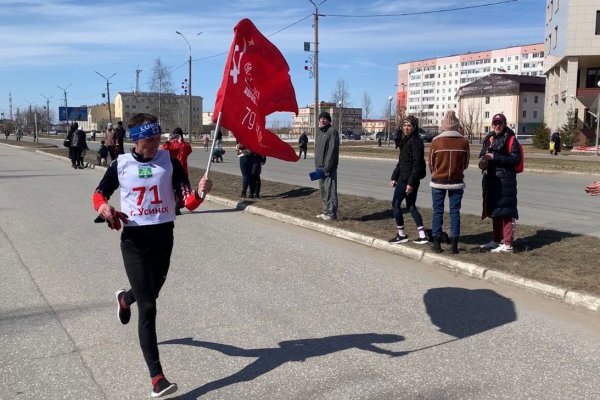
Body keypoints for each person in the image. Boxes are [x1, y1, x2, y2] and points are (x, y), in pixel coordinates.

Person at [92, 113, 212, 398]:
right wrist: (104, 208)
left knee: (150, 293)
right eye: (151, 139)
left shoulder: (169, 162)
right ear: (137, 139)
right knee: (149, 307)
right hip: (134, 241)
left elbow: (188, 201)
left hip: (163, 238)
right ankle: (157, 378)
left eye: (159, 137)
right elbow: (99, 193)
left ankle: (124, 298)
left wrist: (200, 193)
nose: (157, 143)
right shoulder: (121, 164)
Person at [428, 110, 470, 254]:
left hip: (438, 181)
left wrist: (436, 173)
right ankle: (454, 245)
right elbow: (466, 163)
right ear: (457, 125)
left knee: (437, 212)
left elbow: (431, 163)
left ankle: (437, 243)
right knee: (455, 212)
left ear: (444, 125)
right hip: (457, 181)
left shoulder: (436, 142)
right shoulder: (464, 142)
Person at [479, 113, 521, 253]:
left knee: (506, 212)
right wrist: (484, 160)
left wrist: (495, 157)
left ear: (504, 124)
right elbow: (483, 155)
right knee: (495, 211)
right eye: (495, 123)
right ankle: (497, 240)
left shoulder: (510, 138)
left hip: (506, 180)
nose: (497, 126)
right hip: (492, 179)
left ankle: (508, 244)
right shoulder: (489, 138)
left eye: (500, 123)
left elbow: (515, 159)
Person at [389, 116, 428, 244]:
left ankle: (401, 234)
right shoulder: (406, 141)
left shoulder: (415, 142)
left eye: (409, 126)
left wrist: (410, 183)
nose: (406, 128)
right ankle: (422, 235)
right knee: (411, 206)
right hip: (404, 177)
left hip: (408, 179)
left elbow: (417, 164)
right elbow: (402, 162)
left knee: (395, 204)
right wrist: (394, 177)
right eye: (404, 125)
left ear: (414, 127)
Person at [314, 111, 339, 221]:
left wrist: (327, 167)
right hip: (319, 167)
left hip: (328, 168)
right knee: (323, 190)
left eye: (325, 118)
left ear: (329, 120)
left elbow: (332, 151)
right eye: (321, 118)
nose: (322, 120)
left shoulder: (332, 132)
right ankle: (325, 211)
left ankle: (331, 213)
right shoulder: (320, 133)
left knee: (330, 190)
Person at [162, 127, 193, 215]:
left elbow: (185, 153)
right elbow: (164, 151)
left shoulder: (185, 145)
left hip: (182, 169)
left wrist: (181, 142)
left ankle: (178, 206)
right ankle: (174, 206)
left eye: (177, 135)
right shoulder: (171, 144)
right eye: (174, 135)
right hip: (172, 169)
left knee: (181, 189)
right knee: (172, 188)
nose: (175, 137)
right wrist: (168, 141)